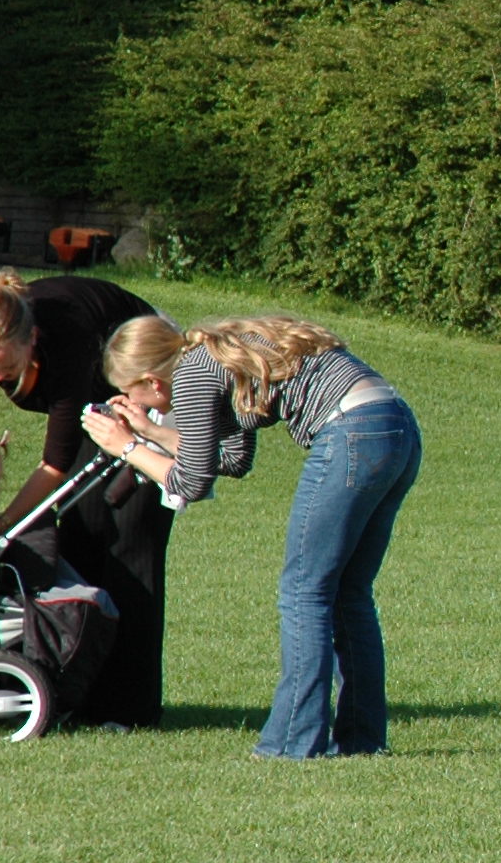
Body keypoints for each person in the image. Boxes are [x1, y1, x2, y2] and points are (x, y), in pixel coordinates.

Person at [89, 315, 421, 759]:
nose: (134, 403)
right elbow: (232, 458)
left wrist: (126, 448)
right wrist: (149, 433)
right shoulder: (218, 355)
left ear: (151, 380)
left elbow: (191, 483)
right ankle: (361, 742)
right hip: (393, 425)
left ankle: (291, 744)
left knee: (304, 592)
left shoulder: (189, 375)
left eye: (131, 393)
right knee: (348, 593)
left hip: (350, 433)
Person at [0, 270, 173, 724]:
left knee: (127, 542)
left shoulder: (67, 344)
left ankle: (130, 710)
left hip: (146, 379)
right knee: (77, 536)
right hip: (94, 403)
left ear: (32, 340)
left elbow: (55, 465)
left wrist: (2, 524)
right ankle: (78, 695)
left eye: (5, 369)